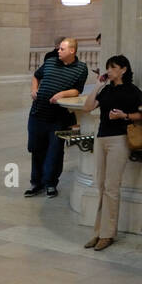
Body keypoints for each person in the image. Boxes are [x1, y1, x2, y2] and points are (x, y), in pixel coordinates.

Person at [80, 54, 142, 251]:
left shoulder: (132, 91)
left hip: (119, 139)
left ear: (123, 69)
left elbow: (140, 115)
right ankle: (98, 232)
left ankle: (108, 234)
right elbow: (88, 107)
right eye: (108, 67)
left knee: (111, 186)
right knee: (100, 184)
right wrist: (97, 85)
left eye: (113, 67)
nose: (109, 71)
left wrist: (123, 116)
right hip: (101, 137)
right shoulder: (105, 90)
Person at [25, 38, 90, 198]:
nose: (58, 51)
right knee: (36, 149)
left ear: (72, 51)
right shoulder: (50, 62)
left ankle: (51, 183)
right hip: (37, 114)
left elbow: (77, 90)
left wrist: (62, 94)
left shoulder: (81, 68)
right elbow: (36, 76)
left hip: (58, 118)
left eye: (62, 49)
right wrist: (34, 89)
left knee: (54, 151)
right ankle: (36, 183)